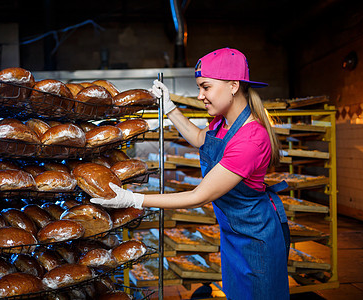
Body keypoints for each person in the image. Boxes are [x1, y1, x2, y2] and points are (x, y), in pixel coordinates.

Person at [91, 48, 290, 300]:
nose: (200, 96)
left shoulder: (251, 137)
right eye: (199, 87)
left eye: (205, 87)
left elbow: (199, 195)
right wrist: (170, 108)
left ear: (233, 85)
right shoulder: (222, 123)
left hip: (256, 236)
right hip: (233, 233)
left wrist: (134, 199)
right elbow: (198, 138)